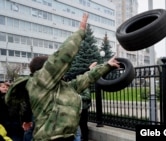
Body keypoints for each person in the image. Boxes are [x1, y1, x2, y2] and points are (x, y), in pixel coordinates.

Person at [5, 13, 120, 141]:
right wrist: (80, 32)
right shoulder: (38, 83)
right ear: (43, 71)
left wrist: (107, 66)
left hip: (67, 137)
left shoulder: (62, 87)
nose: (61, 71)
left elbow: (85, 79)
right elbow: (61, 57)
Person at [64, 62, 97, 141]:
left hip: (83, 108)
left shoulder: (83, 86)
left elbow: (87, 96)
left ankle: (84, 138)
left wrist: (89, 69)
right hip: (75, 109)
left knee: (82, 125)